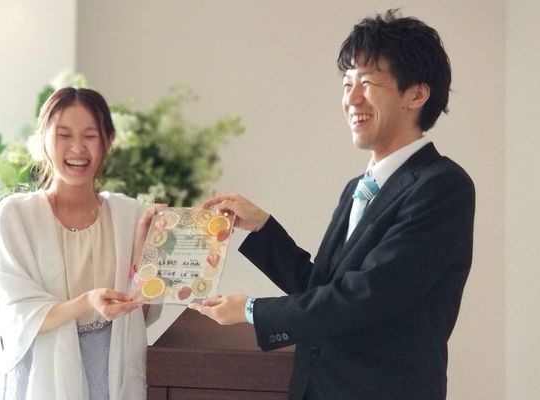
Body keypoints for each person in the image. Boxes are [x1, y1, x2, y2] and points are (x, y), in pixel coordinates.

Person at [189, 10, 475, 400]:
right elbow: (323, 290)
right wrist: (263, 228)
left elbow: (365, 297)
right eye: (346, 84)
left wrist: (252, 310)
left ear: (416, 94)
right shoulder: (357, 188)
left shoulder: (442, 186)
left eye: (367, 83)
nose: (351, 99)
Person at [0, 87, 162, 400]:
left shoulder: (130, 215)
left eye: (90, 136)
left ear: (108, 141)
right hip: (41, 371)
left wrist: (150, 256)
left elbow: (138, 315)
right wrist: (87, 302)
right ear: (43, 139)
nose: (77, 148)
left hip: (111, 368)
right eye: (64, 135)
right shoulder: (16, 215)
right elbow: (21, 312)